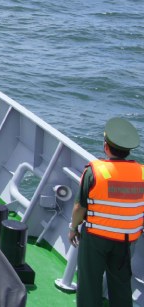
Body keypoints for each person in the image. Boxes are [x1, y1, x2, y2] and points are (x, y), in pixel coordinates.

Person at [69, 117, 143, 307]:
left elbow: (79, 207)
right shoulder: (142, 173)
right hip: (126, 239)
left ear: (106, 146)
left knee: (89, 283)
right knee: (121, 284)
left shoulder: (95, 171)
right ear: (128, 150)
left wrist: (73, 228)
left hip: (96, 237)